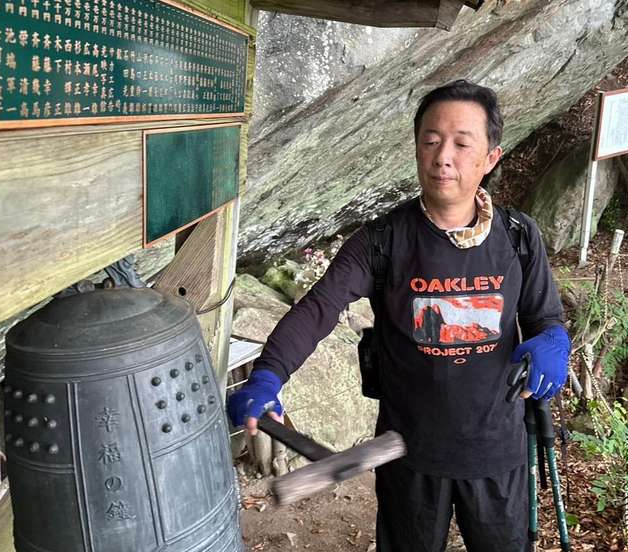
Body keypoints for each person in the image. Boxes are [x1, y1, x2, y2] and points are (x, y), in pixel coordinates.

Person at [227, 79, 570, 552]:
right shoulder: (382, 241)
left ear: (491, 157)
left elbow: (545, 318)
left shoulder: (517, 236)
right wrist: (268, 375)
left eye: (461, 144)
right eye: (431, 141)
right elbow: (319, 307)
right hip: (408, 453)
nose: (442, 156)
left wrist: (554, 342)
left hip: (496, 451)